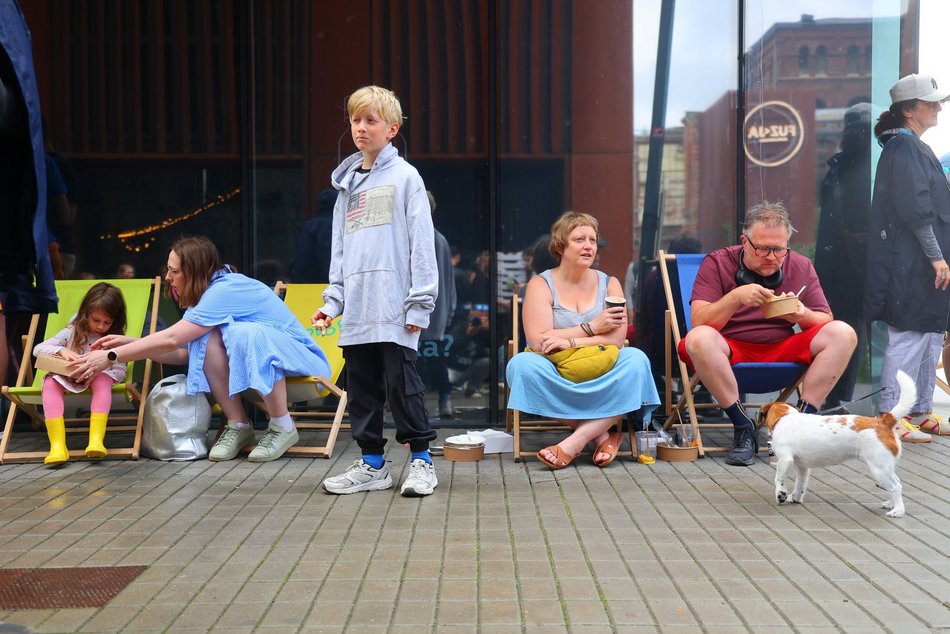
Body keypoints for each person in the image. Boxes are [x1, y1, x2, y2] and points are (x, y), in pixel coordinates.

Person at [71, 235, 331, 462]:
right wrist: (130, 344)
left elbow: (172, 338)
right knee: (204, 339)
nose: (167, 277)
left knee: (246, 331)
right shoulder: (208, 297)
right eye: (168, 269)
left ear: (194, 271)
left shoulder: (224, 290)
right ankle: (239, 424)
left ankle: (282, 425)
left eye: (174, 271)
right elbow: (184, 352)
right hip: (256, 372)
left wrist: (111, 356)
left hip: (303, 361)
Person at [311, 85, 439, 497]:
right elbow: (341, 250)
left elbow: (422, 245)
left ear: (392, 128)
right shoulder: (346, 187)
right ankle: (372, 465)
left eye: (371, 120)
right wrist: (333, 303)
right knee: (362, 391)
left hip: (395, 306)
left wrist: (419, 304)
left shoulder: (406, 178)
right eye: (355, 120)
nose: (361, 128)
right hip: (360, 310)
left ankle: (421, 461)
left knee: (403, 387)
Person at [679, 201, 856, 466]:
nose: (772, 257)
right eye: (763, 249)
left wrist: (800, 315)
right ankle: (743, 427)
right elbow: (700, 321)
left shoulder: (800, 265)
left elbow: (825, 320)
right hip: (729, 350)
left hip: (781, 347)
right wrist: (735, 297)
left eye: (779, 249)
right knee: (698, 338)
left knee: (843, 332)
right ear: (744, 241)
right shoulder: (716, 262)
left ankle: (802, 426)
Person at [505, 211, 660, 469]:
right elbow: (537, 341)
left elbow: (617, 339)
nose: (589, 246)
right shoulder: (540, 285)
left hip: (602, 367)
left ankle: (573, 443)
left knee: (636, 360)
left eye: (592, 239)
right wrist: (592, 327)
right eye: (579, 239)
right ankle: (602, 435)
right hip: (558, 369)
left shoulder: (609, 284)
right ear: (560, 246)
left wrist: (571, 341)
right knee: (521, 365)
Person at [864, 73, 950, 442]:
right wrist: (936, 257)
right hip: (913, 262)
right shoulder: (905, 148)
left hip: (925, 261)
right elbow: (916, 208)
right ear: (909, 110)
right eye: (931, 102)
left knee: (929, 333)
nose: (939, 107)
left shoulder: (912, 145)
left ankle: (920, 411)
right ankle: (892, 418)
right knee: (909, 334)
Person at [814, 103, 873, 413]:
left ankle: (838, 397)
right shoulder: (837, 168)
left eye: (859, 129)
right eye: (850, 128)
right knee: (841, 327)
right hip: (834, 265)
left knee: (857, 328)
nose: (853, 134)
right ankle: (832, 397)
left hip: (864, 262)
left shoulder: (873, 167)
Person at [34, 282, 127, 465]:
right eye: (96, 320)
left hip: (100, 381)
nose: (101, 326)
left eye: (107, 322)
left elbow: (121, 370)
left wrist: (102, 369)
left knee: (102, 378)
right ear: (85, 314)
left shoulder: (114, 339)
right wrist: (61, 351)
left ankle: (95, 441)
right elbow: (38, 349)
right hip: (71, 379)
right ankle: (58, 446)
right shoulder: (73, 331)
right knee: (50, 381)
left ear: (115, 321)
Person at [418, 190, 458, 419]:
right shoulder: (440, 238)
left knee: (415, 361)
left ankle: (418, 406)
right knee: (435, 359)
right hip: (438, 310)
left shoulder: (422, 238)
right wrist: (450, 308)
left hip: (421, 311)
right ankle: (445, 400)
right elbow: (449, 280)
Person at [289, 188, 336, 283]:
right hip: (320, 287)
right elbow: (326, 259)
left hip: (303, 285)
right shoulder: (329, 226)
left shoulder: (307, 226)